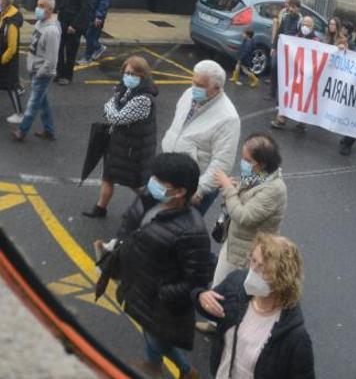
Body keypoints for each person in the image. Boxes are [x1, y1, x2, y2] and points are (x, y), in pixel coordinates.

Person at [113, 153, 211, 379]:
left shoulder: (192, 232)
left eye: (160, 181)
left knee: (157, 338)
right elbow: (130, 221)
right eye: (154, 177)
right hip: (140, 286)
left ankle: (186, 371)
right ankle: (153, 366)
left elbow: (196, 281)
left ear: (180, 192)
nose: (152, 183)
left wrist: (162, 294)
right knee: (148, 331)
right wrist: (119, 243)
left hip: (159, 300)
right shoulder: (149, 197)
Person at [196, 133, 287, 334]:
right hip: (235, 242)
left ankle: (227, 328)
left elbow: (245, 216)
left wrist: (229, 189)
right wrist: (235, 187)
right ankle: (215, 322)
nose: (243, 163)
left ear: (260, 164)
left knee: (235, 291)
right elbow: (244, 196)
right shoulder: (259, 177)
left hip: (247, 250)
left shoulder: (274, 190)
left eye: (247, 160)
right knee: (220, 283)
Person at [196, 234, 314, 378]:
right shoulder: (236, 283)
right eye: (253, 261)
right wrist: (200, 296)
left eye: (263, 269)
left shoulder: (295, 338)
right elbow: (210, 307)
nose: (253, 272)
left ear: (282, 279)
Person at [161, 60, 241, 215]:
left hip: (193, 186)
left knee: (180, 229)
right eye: (193, 82)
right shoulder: (188, 94)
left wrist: (200, 190)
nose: (194, 88)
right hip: (170, 172)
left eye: (200, 86)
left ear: (217, 88)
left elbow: (222, 162)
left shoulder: (228, 118)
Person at [82, 56, 158, 218]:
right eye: (126, 72)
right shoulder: (125, 89)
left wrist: (110, 108)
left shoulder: (143, 99)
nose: (128, 76)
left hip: (133, 150)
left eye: (133, 74)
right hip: (119, 144)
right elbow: (112, 107)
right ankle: (100, 208)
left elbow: (117, 117)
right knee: (108, 177)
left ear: (143, 76)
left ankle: (155, 209)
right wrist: (111, 108)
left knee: (136, 184)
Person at [12, 0, 61, 142]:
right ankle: (49, 130)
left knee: (33, 102)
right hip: (35, 70)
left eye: (42, 6)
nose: (38, 8)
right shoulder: (40, 23)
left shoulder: (52, 31)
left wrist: (39, 73)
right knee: (43, 102)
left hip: (42, 73)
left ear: (51, 9)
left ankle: (22, 130)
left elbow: (51, 60)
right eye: (38, 5)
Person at [270, 16, 319, 131]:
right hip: (294, 72)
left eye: (308, 25)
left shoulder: (316, 40)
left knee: (304, 97)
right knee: (289, 94)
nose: (305, 26)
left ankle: (302, 122)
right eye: (304, 24)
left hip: (307, 74)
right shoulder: (295, 37)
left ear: (312, 27)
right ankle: (281, 118)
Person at [54, 0, 92, 85]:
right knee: (58, 49)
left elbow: (85, 7)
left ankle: (67, 76)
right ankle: (59, 73)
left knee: (70, 51)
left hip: (73, 24)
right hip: (63, 20)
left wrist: (74, 25)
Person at [268, 0, 302, 101]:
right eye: (290, 6)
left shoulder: (301, 20)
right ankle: (272, 93)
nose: (291, 9)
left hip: (291, 53)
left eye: (293, 7)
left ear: (298, 8)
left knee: (286, 73)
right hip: (280, 48)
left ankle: (283, 95)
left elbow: (301, 36)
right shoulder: (285, 17)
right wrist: (273, 47)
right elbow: (279, 31)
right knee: (274, 67)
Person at [0, 0, 24, 124]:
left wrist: (2, 60)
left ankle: (19, 114)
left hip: (7, 61)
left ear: (5, 2)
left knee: (11, 86)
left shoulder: (12, 22)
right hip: (2, 58)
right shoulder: (3, 14)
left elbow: (12, 47)